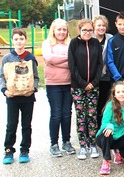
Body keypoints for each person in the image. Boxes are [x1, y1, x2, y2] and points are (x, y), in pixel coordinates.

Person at [0, 28, 39, 164]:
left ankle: (24, 150)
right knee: (11, 124)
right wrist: (4, 90)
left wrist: (33, 88)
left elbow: (35, 76)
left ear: (25, 40)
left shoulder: (30, 58)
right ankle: (9, 150)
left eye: (21, 39)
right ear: (12, 40)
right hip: (12, 97)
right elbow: (2, 76)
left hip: (27, 98)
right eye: (16, 39)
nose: (19, 41)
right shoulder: (7, 58)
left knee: (26, 125)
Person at [68, 19, 103, 160]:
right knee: (81, 116)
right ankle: (83, 145)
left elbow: (100, 65)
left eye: (90, 30)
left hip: (94, 87)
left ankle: (93, 144)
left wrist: (93, 83)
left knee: (92, 116)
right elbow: (72, 66)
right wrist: (83, 83)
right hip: (78, 87)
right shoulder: (74, 44)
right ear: (79, 31)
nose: (87, 33)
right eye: (84, 30)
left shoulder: (96, 44)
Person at [42, 18, 75, 157]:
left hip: (68, 84)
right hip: (53, 84)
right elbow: (49, 59)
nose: (61, 32)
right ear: (53, 30)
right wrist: (66, 59)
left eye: (64, 29)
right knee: (56, 114)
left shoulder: (71, 44)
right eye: (59, 29)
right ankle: (54, 144)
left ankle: (66, 141)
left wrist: (57, 62)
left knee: (67, 114)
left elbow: (73, 63)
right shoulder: (47, 43)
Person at [93, 15, 113, 128]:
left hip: (106, 76)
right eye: (99, 25)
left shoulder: (110, 38)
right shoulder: (89, 37)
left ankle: (102, 127)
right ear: (94, 26)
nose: (101, 28)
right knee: (93, 104)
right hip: (92, 76)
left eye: (103, 25)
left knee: (103, 103)